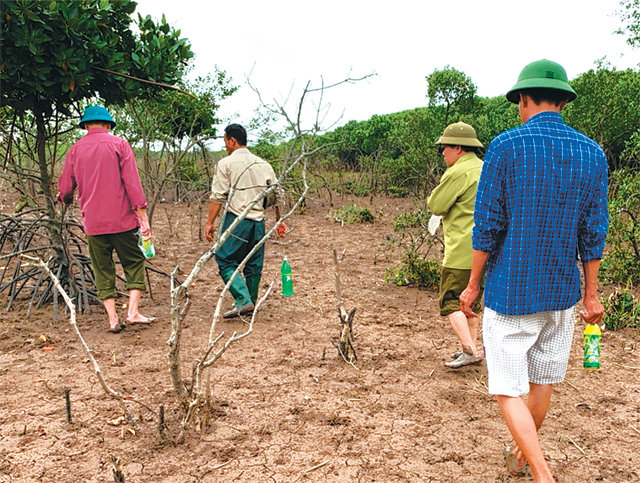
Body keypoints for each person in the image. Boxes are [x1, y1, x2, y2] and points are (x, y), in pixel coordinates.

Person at [459, 59, 609, 482]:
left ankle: (542, 472)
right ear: (563, 100)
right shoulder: (592, 153)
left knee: (507, 388)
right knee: (542, 381)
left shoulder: (506, 147)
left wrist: (472, 286)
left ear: (523, 100)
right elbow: (593, 232)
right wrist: (591, 295)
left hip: (511, 292)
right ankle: (523, 457)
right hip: (562, 294)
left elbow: (487, 226)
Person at [57, 106, 156, 333]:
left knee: (102, 269)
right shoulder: (120, 145)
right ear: (108, 125)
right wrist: (142, 216)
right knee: (133, 262)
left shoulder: (75, 150)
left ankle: (112, 319)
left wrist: (65, 197)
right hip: (122, 221)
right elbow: (132, 183)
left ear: (86, 126)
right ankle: (132, 312)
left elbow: (65, 188)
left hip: (93, 223)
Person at [204, 124, 286, 319]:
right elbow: (277, 195)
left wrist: (209, 222)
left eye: (225, 141)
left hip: (237, 219)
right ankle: (251, 303)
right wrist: (279, 220)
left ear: (232, 140)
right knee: (253, 263)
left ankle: (243, 300)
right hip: (259, 222)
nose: (225, 146)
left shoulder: (226, 164)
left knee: (224, 258)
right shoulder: (263, 164)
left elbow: (218, 196)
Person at [427, 122, 484, 368]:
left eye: (445, 147)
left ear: (458, 148)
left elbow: (436, 205)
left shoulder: (457, 172)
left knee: (451, 301)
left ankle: (469, 349)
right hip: (484, 249)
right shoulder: (486, 168)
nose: (443, 153)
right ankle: (474, 349)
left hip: (461, 249)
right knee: (471, 301)